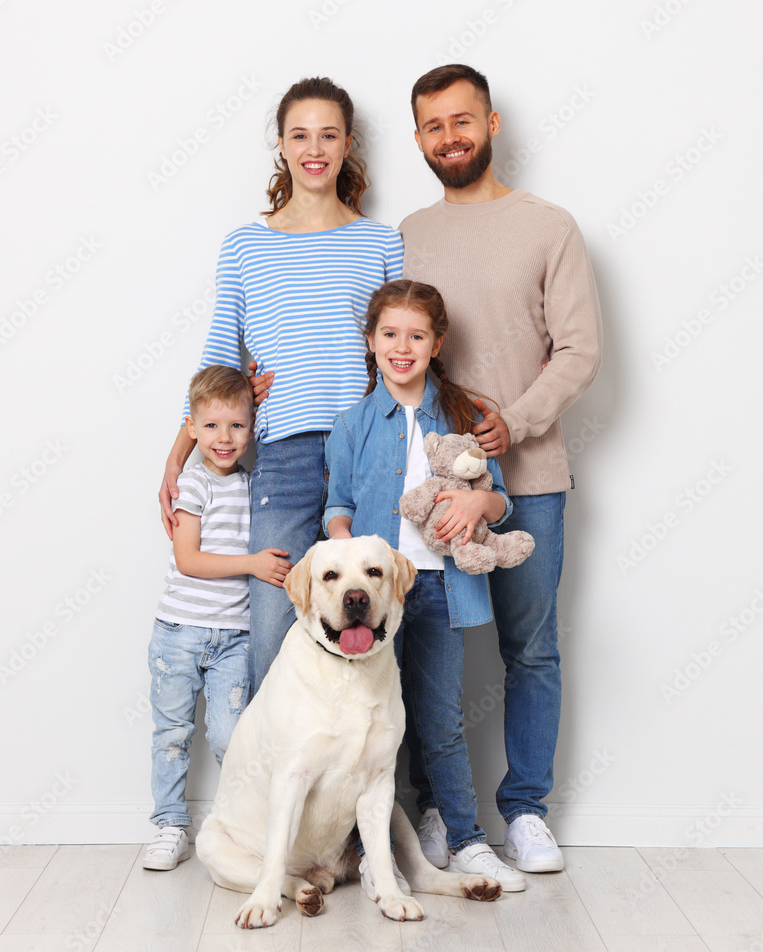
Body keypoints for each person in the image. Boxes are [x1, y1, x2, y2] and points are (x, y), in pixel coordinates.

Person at [399, 64, 602, 873]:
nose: (449, 137)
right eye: (432, 126)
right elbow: (391, 346)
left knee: (530, 649)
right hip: (426, 488)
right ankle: (440, 812)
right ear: (418, 138)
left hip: (532, 478)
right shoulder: (407, 234)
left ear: (490, 123)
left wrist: (510, 423)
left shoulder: (549, 225)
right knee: (420, 643)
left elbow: (581, 349)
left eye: (462, 120)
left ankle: (524, 810)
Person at [159, 77, 403, 693]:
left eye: (328, 134)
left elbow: (405, 349)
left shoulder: (381, 241)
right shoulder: (245, 245)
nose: (314, 147)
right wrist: (177, 456)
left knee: (386, 629)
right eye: (300, 134)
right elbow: (218, 364)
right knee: (270, 636)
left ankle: (384, 788)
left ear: (348, 144)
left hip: (368, 453)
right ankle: (268, 786)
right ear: (282, 145)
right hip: (284, 459)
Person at [324, 279, 526, 892]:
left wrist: (478, 501)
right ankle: (362, 848)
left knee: (438, 720)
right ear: (371, 341)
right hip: (371, 604)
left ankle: (466, 842)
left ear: (437, 344)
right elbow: (338, 506)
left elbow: (502, 502)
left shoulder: (463, 417)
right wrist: (343, 553)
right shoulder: (353, 423)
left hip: (438, 592)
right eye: (390, 335)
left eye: (416, 335)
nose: (402, 347)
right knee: (362, 724)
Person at [143, 366, 291, 871]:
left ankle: (240, 826)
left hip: (235, 640)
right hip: (179, 635)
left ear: (253, 428)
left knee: (233, 736)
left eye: (236, 426)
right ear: (191, 428)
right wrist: (252, 564)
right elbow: (189, 560)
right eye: (210, 427)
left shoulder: (255, 487)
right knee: (172, 733)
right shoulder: (192, 483)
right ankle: (169, 823)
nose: (224, 438)